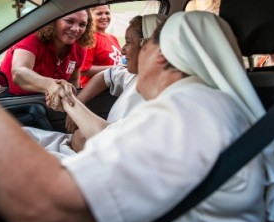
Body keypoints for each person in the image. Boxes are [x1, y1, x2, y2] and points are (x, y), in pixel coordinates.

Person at [0, 11, 274, 222]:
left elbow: (44, 204)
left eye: (138, 46)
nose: (128, 57)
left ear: (158, 54)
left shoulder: (192, 111)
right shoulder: (199, 106)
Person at [24, 14, 167, 157]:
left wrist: (68, 101)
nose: (122, 50)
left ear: (150, 48)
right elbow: (106, 75)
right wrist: (78, 100)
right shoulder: (134, 75)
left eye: (128, 42)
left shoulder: (163, 103)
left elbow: (110, 142)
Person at [0, 10, 95, 99]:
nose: (76, 29)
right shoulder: (32, 36)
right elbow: (19, 73)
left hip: (46, 100)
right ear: (53, 20)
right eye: (69, 21)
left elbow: (74, 79)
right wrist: (50, 85)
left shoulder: (79, 47)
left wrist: (73, 101)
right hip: (11, 99)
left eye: (82, 24)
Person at [79, 5, 122, 87]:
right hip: (96, 93)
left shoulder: (113, 38)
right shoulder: (89, 38)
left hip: (112, 89)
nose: (104, 17)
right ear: (90, 16)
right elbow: (84, 69)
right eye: (99, 14)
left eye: (107, 13)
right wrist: (115, 68)